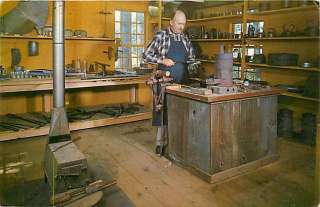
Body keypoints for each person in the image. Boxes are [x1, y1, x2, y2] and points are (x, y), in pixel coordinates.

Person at [142, 9, 195, 155]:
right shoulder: (162, 35)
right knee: (163, 114)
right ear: (171, 22)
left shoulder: (185, 38)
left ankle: (179, 146)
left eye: (183, 24)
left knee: (181, 114)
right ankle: (160, 144)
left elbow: (191, 57)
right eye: (178, 23)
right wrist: (162, 60)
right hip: (165, 82)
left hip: (183, 82)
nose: (181, 27)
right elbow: (145, 55)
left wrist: (193, 64)